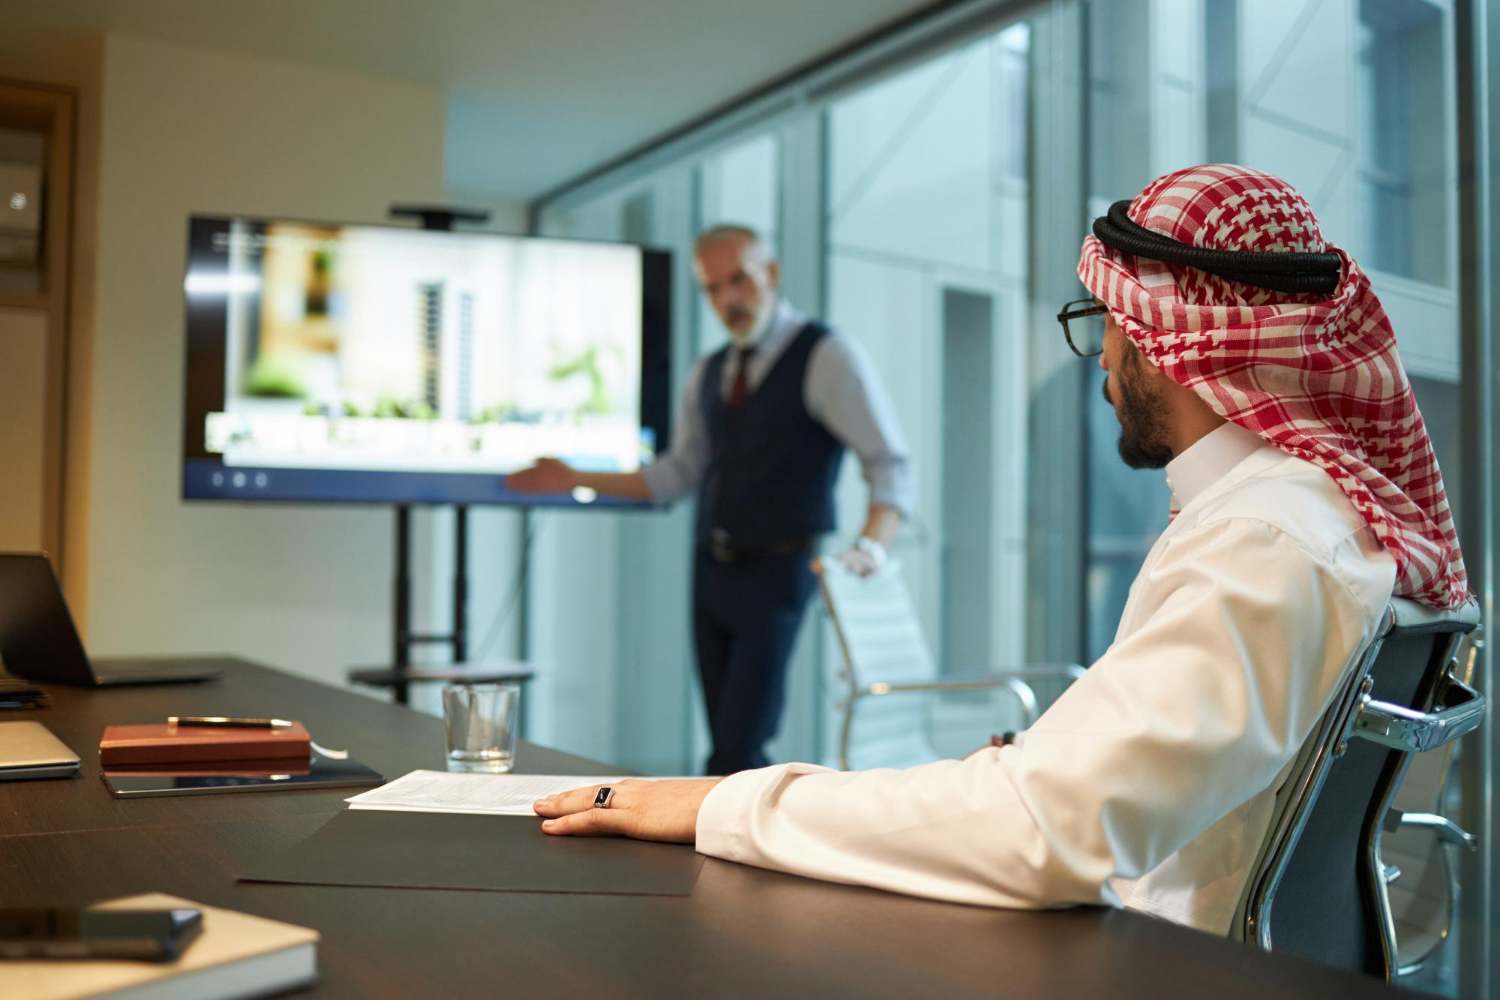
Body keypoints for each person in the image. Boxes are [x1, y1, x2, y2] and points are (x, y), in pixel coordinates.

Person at [529, 164, 1472, 935]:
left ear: (1164, 344)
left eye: (1110, 329)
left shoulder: (1266, 541)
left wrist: (726, 805)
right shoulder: (1293, 515)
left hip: (1150, 952)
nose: (1100, 360)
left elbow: (1050, 829)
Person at [508, 224, 912, 775]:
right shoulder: (709, 372)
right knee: (725, 737)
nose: (729, 300)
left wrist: (872, 545)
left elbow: (887, 462)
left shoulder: (825, 355)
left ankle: (719, 849)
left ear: (769, 274)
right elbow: (676, 475)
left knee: (739, 745)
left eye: (739, 281)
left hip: (779, 572)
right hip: (712, 573)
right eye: (713, 289)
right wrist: (574, 477)